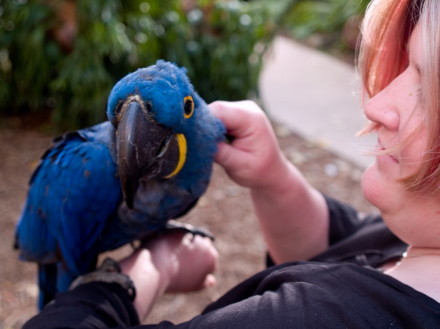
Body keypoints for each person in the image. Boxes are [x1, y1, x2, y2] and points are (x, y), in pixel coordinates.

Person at [23, 0, 440, 327]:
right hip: (66, 260)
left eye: (426, 85)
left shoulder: (313, 318)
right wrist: (274, 178)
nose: (377, 104)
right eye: (405, 70)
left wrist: (160, 263)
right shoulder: (90, 162)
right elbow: (339, 244)